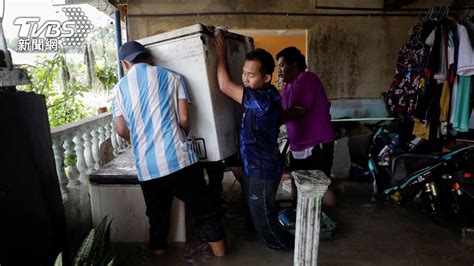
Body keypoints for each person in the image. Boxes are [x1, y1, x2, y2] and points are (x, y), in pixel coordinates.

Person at [111, 41, 225, 257]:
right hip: (179, 160)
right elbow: (184, 119)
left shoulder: (117, 90)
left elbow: (121, 129)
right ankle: (223, 258)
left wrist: (140, 139)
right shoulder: (172, 76)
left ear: (125, 63)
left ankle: (159, 257)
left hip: (147, 168)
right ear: (148, 58)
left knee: (157, 221)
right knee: (206, 213)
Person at [215, 31, 293, 251]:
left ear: (266, 78)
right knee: (254, 208)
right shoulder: (263, 92)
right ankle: (265, 236)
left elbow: (224, 85)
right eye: (243, 73)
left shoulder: (262, 100)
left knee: (263, 218)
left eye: (251, 75)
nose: (245, 79)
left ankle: (288, 248)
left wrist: (221, 54)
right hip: (254, 163)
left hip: (262, 167)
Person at [276, 46, 337, 206]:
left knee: (319, 187)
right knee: (299, 182)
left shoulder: (307, 78)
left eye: (282, 65)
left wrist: (272, 119)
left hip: (316, 144)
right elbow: (283, 111)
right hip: (298, 146)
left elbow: (298, 110)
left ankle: (325, 220)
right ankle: (300, 215)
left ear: (294, 64)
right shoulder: (288, 87)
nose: (280, 70)